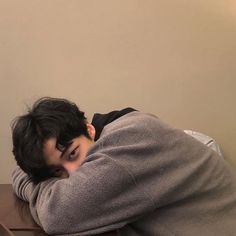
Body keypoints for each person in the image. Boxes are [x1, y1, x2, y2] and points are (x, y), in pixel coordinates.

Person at [11, 97, 236, 236]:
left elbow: (56, 215)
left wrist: (37, 187)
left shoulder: (127, 142)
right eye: (57, 173)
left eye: (73, 154)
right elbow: (20, 172)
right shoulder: (113, 130)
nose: (73, 172)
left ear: (89, 129)